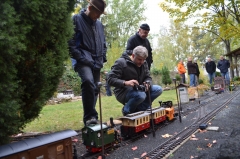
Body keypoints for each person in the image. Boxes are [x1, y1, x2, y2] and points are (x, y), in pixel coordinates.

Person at [68, 0, 107, 126]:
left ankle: (92, 118)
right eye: (97, 14)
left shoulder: (99, 25)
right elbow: (71, 43)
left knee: (95, 88)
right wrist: (82, 58)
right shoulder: (76, 20)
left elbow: (103, 42)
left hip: (97, 61)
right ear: (90, 8)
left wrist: (103, 57)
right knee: (88, 82)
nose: (98, 17)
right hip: (82, 60)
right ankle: (90, 117)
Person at [107, 46, 162, 116]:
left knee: (158, 89)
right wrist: (125, 83)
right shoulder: (121, 62)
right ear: (133, 55)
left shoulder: (144, 63)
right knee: (141, 95)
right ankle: (127, 110)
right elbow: (110, 79)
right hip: (123, 91)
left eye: (143, 59)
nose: (142, 62)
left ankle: (141, 108)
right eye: (139, 59)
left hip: (139, 89)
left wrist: (148, 83)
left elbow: (148, 77)